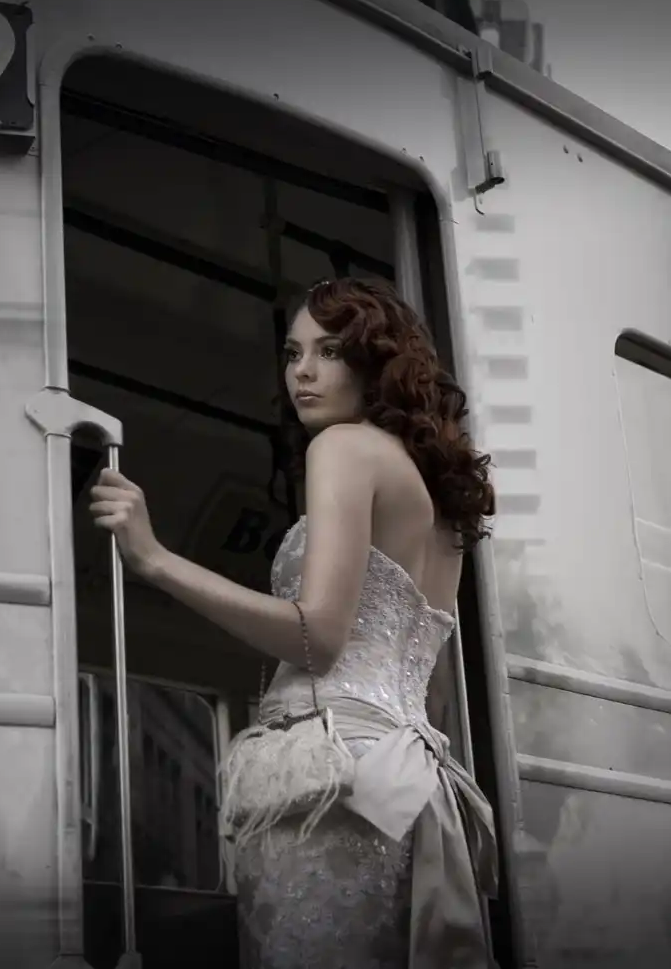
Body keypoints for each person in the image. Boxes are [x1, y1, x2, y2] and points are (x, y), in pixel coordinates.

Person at [88, 276, 498, 968]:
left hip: (328, 778)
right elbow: (421, 679)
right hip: (405, 786)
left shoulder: (343, 448)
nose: (302, 371)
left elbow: (317, 636)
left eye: (329, 351)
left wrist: (154, 559)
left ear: (376, 362)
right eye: (292, 353)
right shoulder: (441, 503)